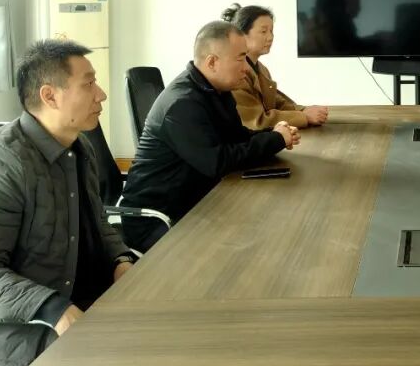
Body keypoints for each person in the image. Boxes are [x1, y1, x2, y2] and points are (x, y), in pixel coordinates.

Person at [0, 40, 137, 366]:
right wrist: (54, 309)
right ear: (50, 96)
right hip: (11, 332)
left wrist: (120, 260)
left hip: (75, 303)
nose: (101, 94)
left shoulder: (76, 146)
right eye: (88, 84)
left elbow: (96, 221)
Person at [121, 21, 301, 251]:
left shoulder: (216, 90)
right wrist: (276, 140)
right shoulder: (182, 104)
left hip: (196, 200)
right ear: (212, 62)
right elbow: (218, 162)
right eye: (240, 58)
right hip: (158, 219)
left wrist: (274, 133)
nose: (246, 68)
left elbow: (237, 137)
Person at [221, 3, 328, 130]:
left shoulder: (261, 68)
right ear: (242, 34)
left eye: (271, 31)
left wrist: (304, 110)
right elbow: (257, 121)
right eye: (263, 31)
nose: (270, 37)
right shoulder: (234, 73)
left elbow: (275, 102)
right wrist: (304, 117)